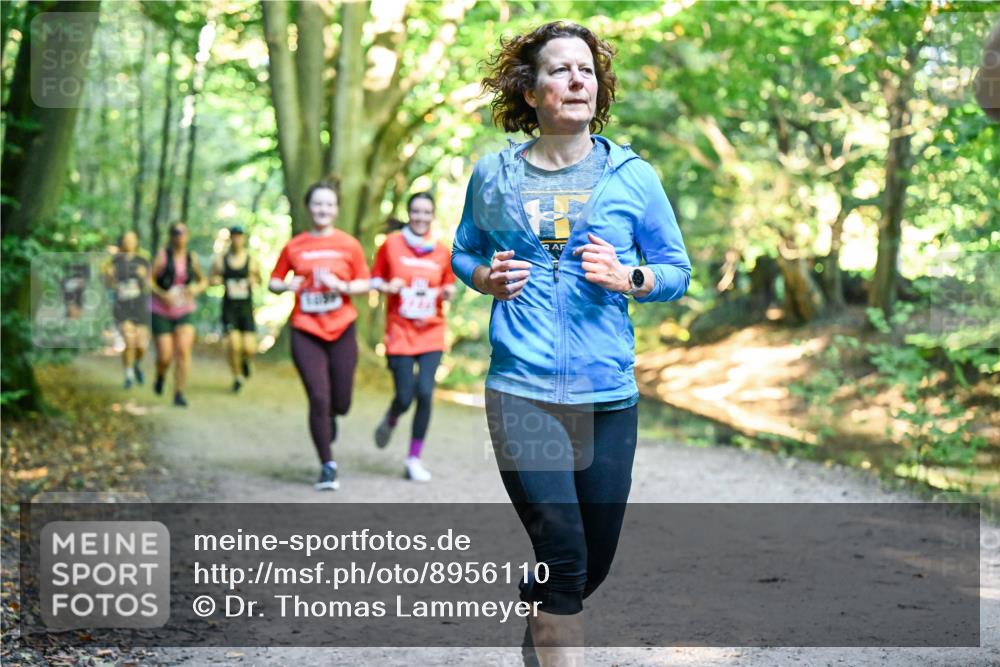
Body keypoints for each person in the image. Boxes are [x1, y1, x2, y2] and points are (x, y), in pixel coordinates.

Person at [451, 21, 691, 666]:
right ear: (531, 92)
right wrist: (484, 278)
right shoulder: (493, 176)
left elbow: (676, 270)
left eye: (586, 69)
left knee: (589, 566)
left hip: (606, 396)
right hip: (521, 391)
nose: (577, 80)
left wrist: (630, 277)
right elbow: (463, 251)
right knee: (563, 552)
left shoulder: (633, 177)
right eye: (560, 69)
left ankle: (543, 610)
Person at [269, 181, 371, 491]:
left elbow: (365, 283)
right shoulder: (295, 246)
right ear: (308, 208)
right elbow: (274, 281)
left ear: (336, 209)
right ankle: (327, 465)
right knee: (318, 397)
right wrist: (286, 286)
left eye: (328, 204)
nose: (323, 209)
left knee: (341, 402)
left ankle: (331, 416)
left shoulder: (349, 245)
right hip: (306, 330)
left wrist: (341, 286)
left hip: (341, 328)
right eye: (317, 204)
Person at [371, 193, 457, 482]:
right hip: (400, 332)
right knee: (405, 396)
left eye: (426, 212)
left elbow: (448, 284)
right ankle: (393, 416)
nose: (421, 217)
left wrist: (448, 292)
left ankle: (413, 459)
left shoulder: (442, 250)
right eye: (416, 211)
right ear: (408, 213)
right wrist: (387, 286)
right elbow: (374, 279)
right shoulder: (391, 244)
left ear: (433, 216)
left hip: (432, 331)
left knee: (425, 392)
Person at [149, 222, 208, 407]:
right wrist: (162, 294)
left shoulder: (191, 258)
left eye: (182, 232)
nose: (179, 236)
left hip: (184, 310)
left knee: (183, 351)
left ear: (187, 235)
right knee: (165, 355)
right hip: (161, 311)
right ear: (171, 236)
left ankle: (179, 392)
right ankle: (160, 375)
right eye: (175, 233)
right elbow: (149, 280)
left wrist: (195, 289)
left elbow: (203, 280)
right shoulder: (162, 256)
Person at [210, 225, 261, 393]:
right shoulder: (221, 260)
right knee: (233, 345)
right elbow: (212, 278)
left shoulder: (251, 260)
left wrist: (253, 280)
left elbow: (259, 279)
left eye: (239, 236)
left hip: (245, 308)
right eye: (234, 236)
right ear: (230, 239)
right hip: (229, 309)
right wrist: (217, 281)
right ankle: (237, 376)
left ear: (243, 238)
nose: (237, 239)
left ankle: (246, 362)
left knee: (249, 347)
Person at [103, 231, 151, 389]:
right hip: (122, 306)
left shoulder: (143, 260)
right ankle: (129, 375)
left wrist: (144, 276)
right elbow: (107, 285)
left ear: (137, 242)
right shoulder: (114, 261)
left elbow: (149, 285)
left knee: (141, 346)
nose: (129, 242)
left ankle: (136, 364)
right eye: (126, 239)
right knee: (129, 341)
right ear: (122, 242)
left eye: (132, 239)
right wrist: (109, 276)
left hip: (139, 305)